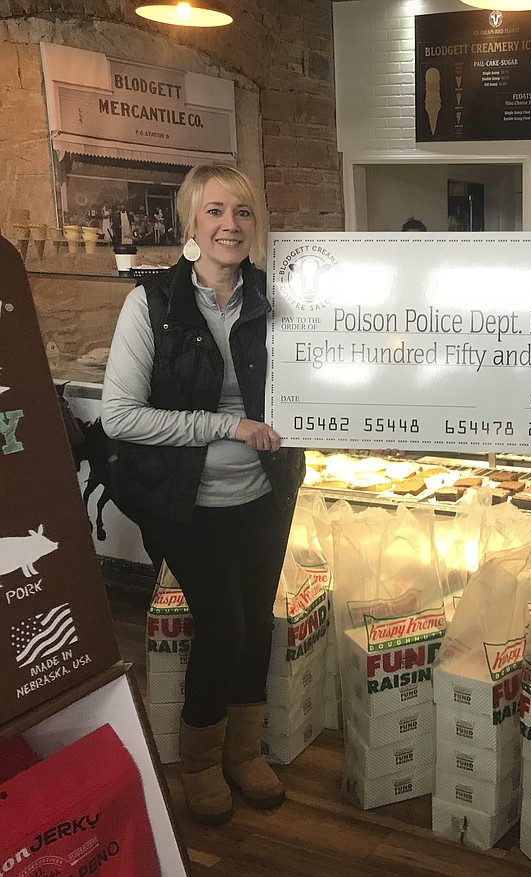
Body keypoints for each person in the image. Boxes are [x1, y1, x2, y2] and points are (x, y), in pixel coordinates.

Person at [103, 164, 305, 826]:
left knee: (257, 626)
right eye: (215, 211)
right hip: (186, 502)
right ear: (192, 222)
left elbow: (319, 380)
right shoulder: (152, 304)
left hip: (265, 493)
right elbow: (121, 415)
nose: (230, 225)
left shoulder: (277, 301)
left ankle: (243, 752)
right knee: (224, 625)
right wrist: (227, 426)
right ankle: (198, 760)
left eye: (243, 212)